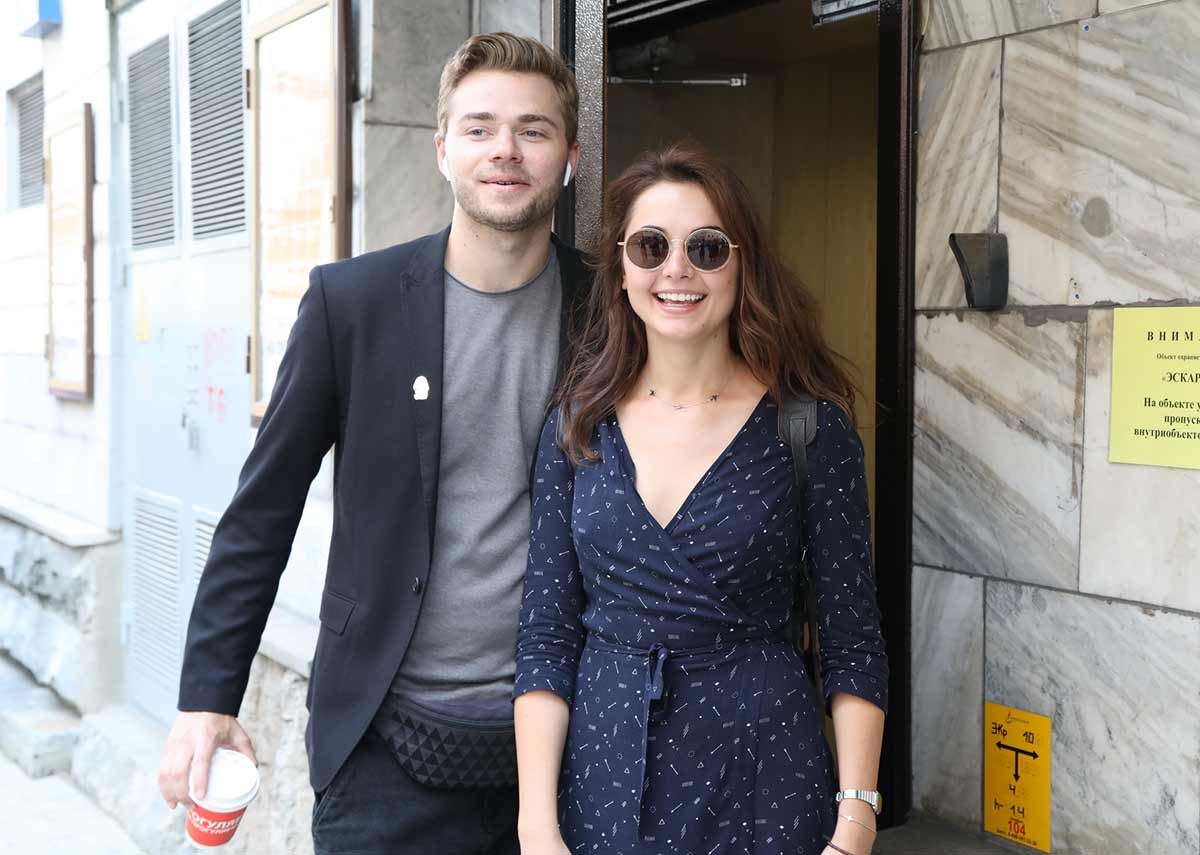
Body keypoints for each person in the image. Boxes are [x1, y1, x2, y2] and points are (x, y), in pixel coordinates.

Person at [156, 32, 587, 855]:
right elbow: (262, 512)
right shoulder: (350, 304)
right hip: (386, 755)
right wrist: (207, 697)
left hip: (566, 754)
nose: (505, 149)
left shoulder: (610, 310)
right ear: (442, 149)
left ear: (569, 155)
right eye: (480, 127)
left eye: (532, 130)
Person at [512, 144, 889, 855]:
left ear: (743, 265)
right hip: (603, 781)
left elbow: (852, 639)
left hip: (765, 780)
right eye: (650, 246)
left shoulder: (808, 427)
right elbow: (547, 636)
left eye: (707, 248)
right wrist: (537, 825)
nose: (676, 269)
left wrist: (855, 822)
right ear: (622, 268)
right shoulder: (577, 426)